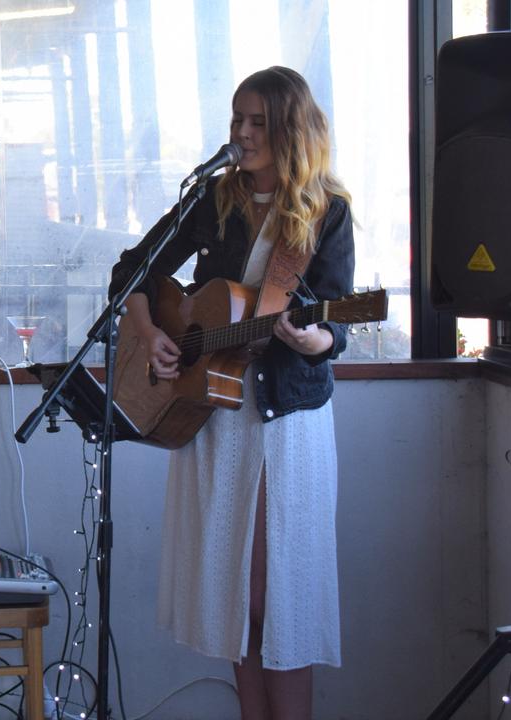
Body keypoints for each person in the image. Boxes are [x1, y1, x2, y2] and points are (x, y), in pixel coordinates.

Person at [108, 66, 354, 720]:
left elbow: (337, 326)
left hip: (285, 418)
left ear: (288, 129)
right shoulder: (213, 198)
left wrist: (310, 340)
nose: (242, 134)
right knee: (234, 601)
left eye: (257, 123)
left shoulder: (326, 210)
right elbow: (133, 267)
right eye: (235, 120)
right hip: (214, 408)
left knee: (278, 598)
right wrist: (149, 331)